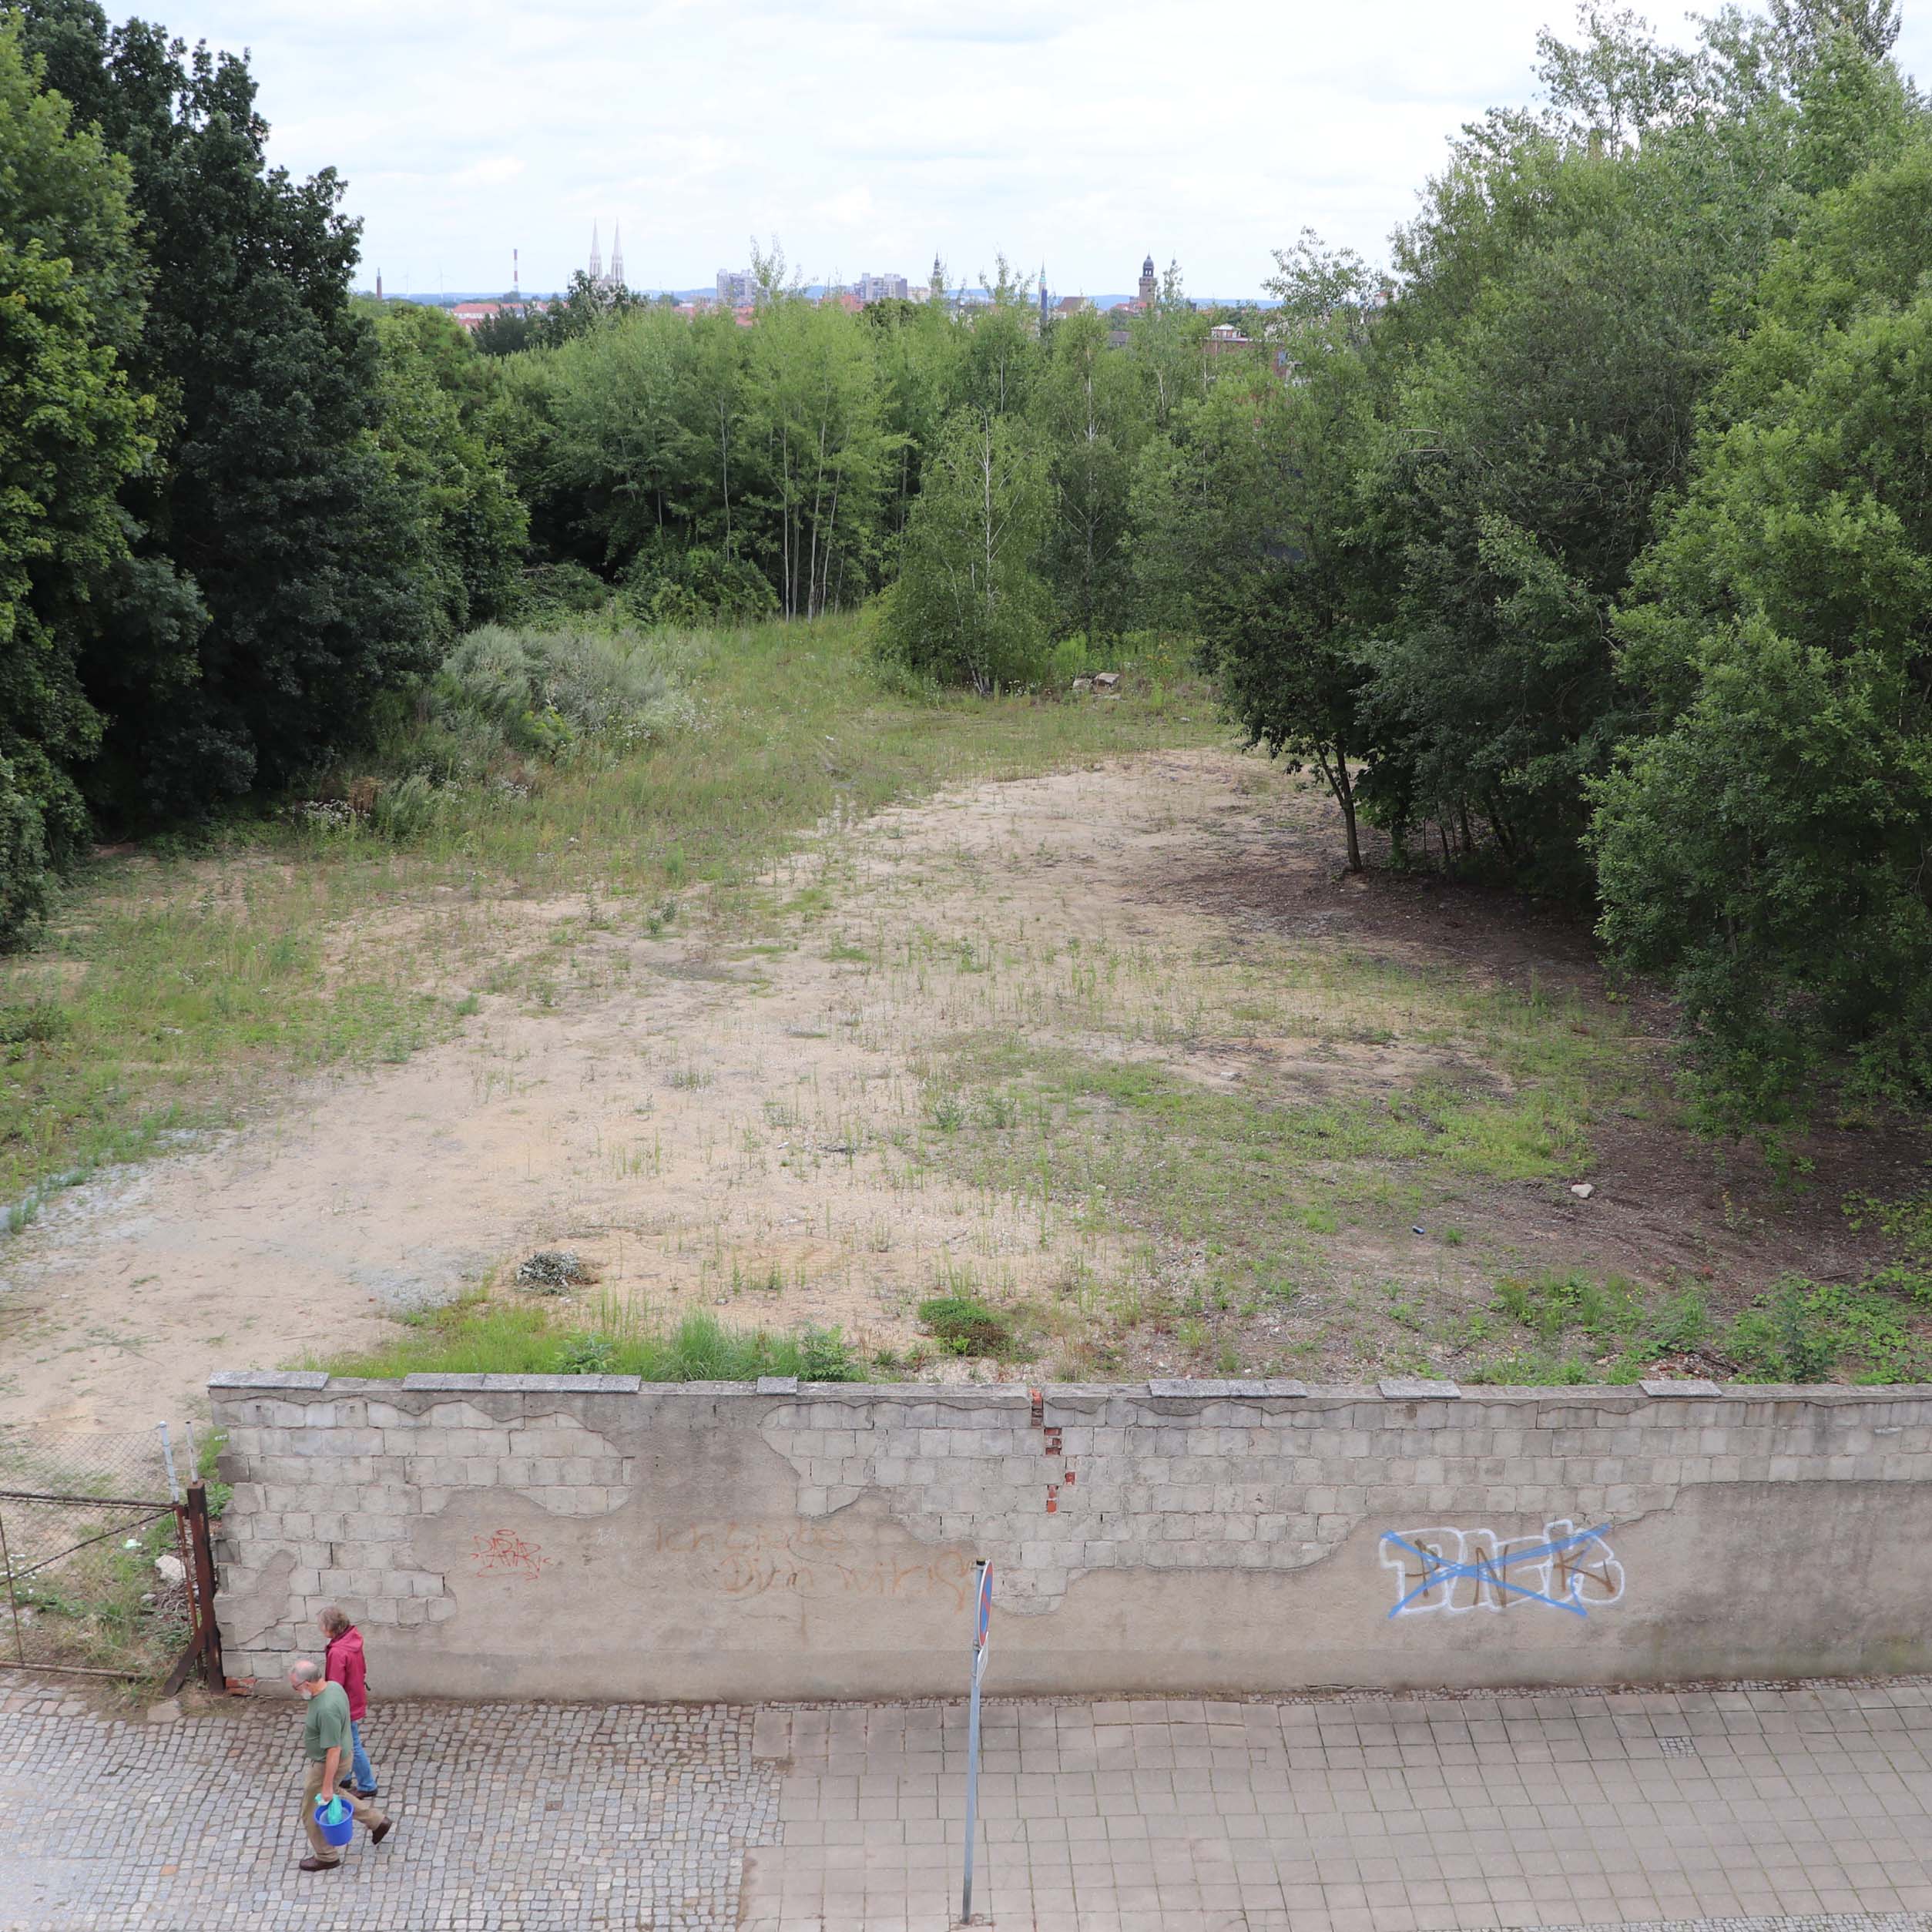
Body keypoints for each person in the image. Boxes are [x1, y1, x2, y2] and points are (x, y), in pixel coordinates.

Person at [288, 1659, 393, 1872]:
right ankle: (377, 1821)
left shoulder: (325, 1710)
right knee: (338, 1794)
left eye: (296, 1688)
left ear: (307, 1684)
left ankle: (326, 1856)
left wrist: (326, 1785)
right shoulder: (334, 1688)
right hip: (346, 1754)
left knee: (311, 1811)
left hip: (328, 1763)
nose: (297, 1692)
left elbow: (332, 1750)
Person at [320, 1606, 377, 1797]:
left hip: (344, 1704)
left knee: (352, 1744)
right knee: (344, 1742)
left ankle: (367, 1785)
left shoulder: (338, 1652)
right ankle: (344, 1776)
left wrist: (328, 1705)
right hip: (353, 1697)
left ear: (331, 1628)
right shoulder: (352, 1640)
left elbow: (335, 1684)